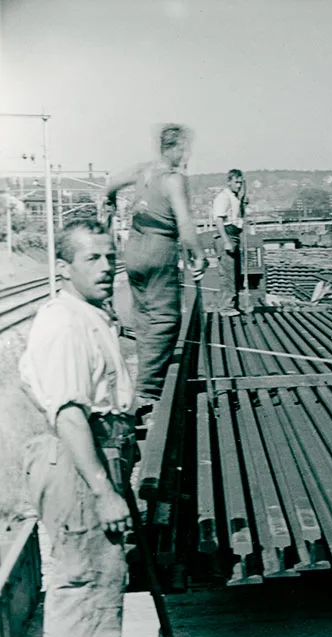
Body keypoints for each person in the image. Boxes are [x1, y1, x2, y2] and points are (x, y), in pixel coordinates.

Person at [20, 220, 139, 637]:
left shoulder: (91, 316)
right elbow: (69, 413)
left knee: (92, 575)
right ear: (64, 269)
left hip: (91, 451)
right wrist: (103, 489)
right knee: (87, 580)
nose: (107, 266)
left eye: (110, 256)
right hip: (76, 457)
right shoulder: (64, 322)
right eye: (92, 259)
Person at [104, 124, 207, 421]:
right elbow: (185, 224)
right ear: (176, 148)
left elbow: (110, 182)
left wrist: (110, 201)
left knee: (145, 314)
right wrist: (197, 254)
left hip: (135, 249)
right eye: (185, 149)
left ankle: (143, 380)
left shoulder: (143, 170)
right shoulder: (173, 179)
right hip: (159, 248)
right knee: (165, 318)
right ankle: (148, 392)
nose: (187, 155)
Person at [211, 168, 246, 316]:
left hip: (234, 234)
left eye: (240, 182)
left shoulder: (235, 197)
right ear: (229, 182)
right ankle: (226, 307)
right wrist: (226, 241)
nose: (238, 185)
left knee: (235, 273)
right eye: (236, 182)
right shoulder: (223, 197)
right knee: (228, 273)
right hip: (227, 234)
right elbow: (218, 220)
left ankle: (233, 305)